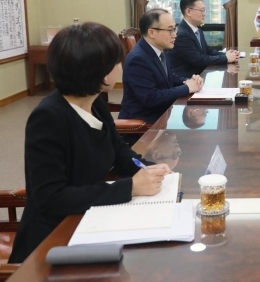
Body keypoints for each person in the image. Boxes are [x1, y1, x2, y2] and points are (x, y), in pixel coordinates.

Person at [9, 23, 171, 263]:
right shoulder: (49, 117)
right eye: (118, 62)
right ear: (105, 74)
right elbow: (50, 198)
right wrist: (129, 187)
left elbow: (117, 149)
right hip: (55, 240)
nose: (121, 67)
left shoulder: (94, 102)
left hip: (94, 218)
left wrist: (145, 168)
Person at [120, 9, 203, 124]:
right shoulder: (138, 59)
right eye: (170, 30)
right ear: (152, 32)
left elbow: (169, 78)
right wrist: (187, 88)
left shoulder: (160, 50)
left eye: (175, 29)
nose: (175, 35)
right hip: (145, 125)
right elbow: (151, 98)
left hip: (163, 115)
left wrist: (189, 81)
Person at [169, 0, 238, 78]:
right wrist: (226, 58)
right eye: (202, 10)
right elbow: (199, 60)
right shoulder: (182, 34)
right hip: (186, 82)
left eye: (204, 10)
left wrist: (225, 55)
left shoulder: (198, 30)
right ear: (189, 12)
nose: (204, 14)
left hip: (200, 77)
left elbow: (207, 50)